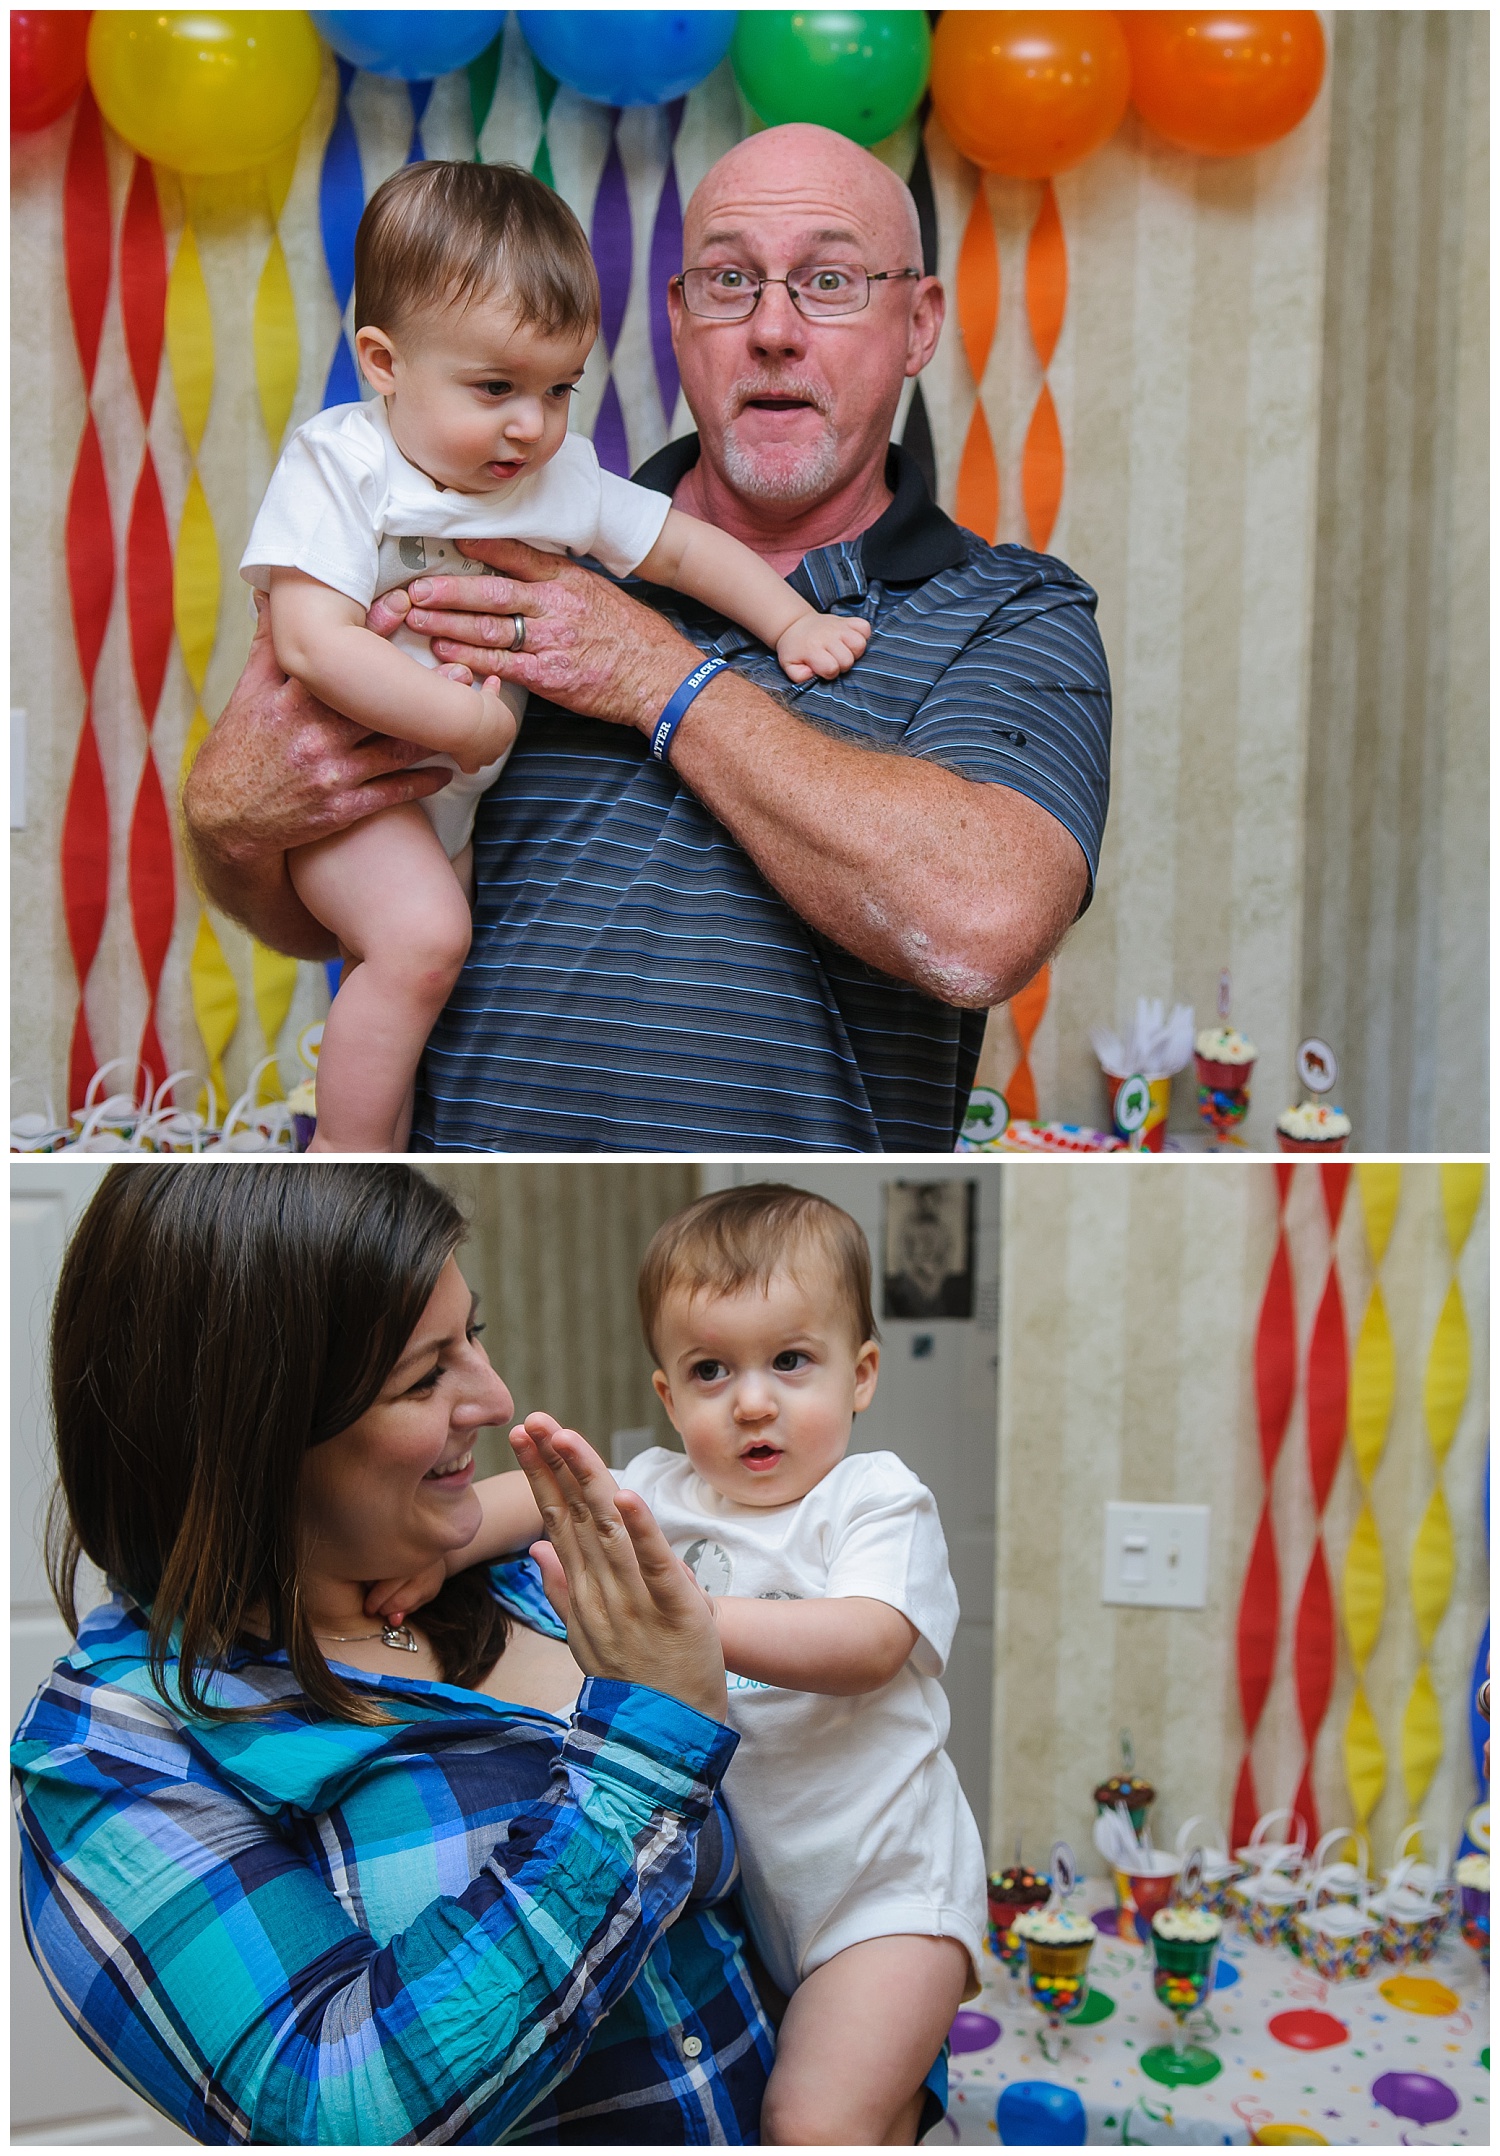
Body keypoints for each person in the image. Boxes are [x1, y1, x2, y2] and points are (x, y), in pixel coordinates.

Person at [184, 122, 1112, 1152]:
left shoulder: (1010, 612)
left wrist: (655, 673)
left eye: (831, 281)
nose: (772, 329)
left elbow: (982, 927)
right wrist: (229, 823)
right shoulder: (500, 534)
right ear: (677, 319)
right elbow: (324, 897)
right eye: (727, 281)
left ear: (919, 323)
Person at [11, 1164, 776, 2145]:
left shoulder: (505, 1572)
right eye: (425, 1375)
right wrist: (643, 1758)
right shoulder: (109, 1749)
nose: (495, 1398)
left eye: (476, 1336)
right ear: (253, 1435)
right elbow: (339, 2107)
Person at [243, 162, 868, 1152]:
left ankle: (385, 1151)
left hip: (453, 804)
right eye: (494, 387)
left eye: (558, 388)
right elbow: (311, 643)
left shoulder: (550, 474)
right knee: (421, 941)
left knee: (421, 988)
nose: (530, 424)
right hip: (366, 789)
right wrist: (466, 723)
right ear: (383, 361)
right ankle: (341, 1159)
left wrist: (788, 621)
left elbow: (681, 546)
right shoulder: (344, 464)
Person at [381, 1182, 983, 2144]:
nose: (752, 1402)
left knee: (811, 2123)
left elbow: (870, 1641)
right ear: (666, 1391)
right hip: (765, 1900)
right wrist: (437, 1551)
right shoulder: (659, 1488)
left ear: (860, 1374)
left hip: (887, 1898)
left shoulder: (873, 1498)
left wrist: (694, 1620)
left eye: (792, 1362)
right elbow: (537, 1503)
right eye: (711, 1371)